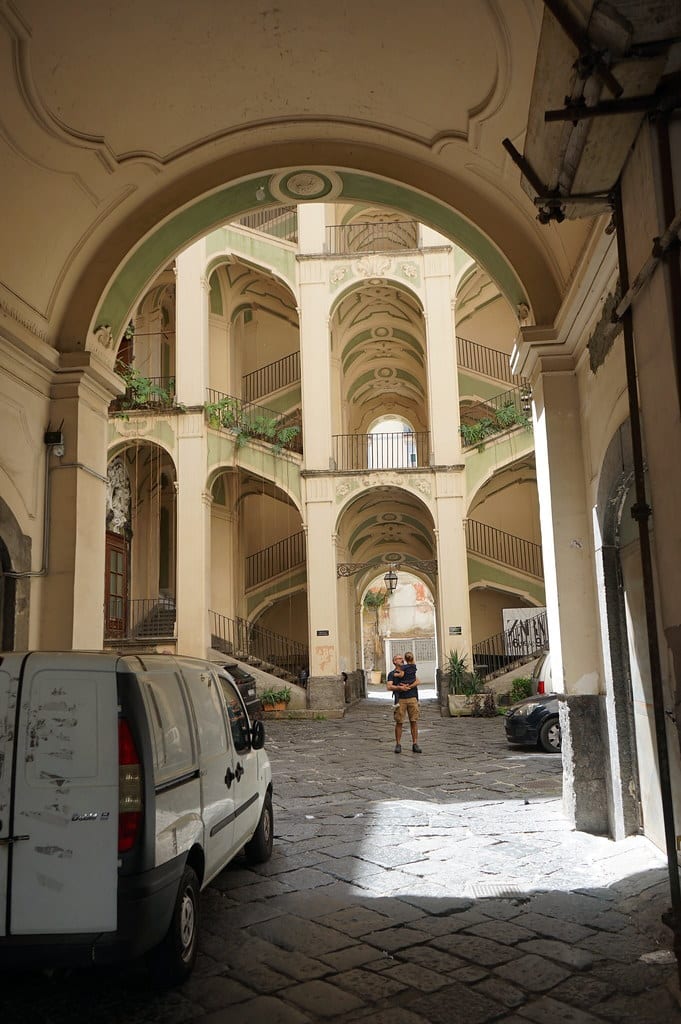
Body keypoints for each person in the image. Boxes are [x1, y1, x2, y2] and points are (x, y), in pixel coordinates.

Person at [386, 653, 422, 754]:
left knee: (414, 721)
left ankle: (415, 743)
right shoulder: (392, 674)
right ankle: (398, 744)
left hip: (412, 697)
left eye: (402, 658)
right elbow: (389, 686)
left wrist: (408, 687)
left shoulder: (408, 670)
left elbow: (418, 681)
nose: (401, 659)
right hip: (400, 699)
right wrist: (400, 688)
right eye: (398, 658)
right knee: (399, 722)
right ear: (394, 662)